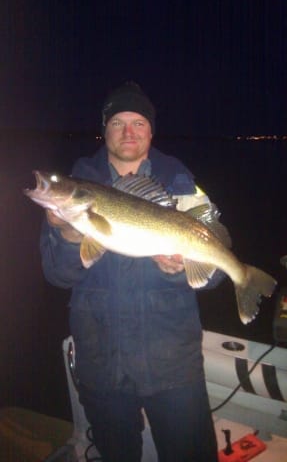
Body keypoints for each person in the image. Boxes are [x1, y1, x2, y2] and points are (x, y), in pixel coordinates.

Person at [40, 81, 224, 462]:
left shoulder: (183, 183)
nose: (128, 132)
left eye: (138, 123)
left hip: (173, 364)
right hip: (101, 364)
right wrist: (72, 238)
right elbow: (56, 275)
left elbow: (215, 271)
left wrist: (180, 269)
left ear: (151, 131)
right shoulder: (77, 190)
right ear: (104, 129)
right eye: (118, 122)